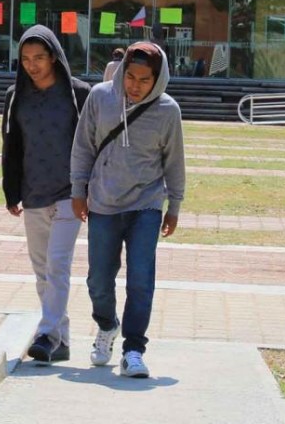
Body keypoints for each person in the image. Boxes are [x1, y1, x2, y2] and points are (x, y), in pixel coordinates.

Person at [70, 42, 185, 378]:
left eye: (144, 79)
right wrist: (79, 190)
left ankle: (134, 348)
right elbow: (82, 146)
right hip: (103, 202)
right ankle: (106, 325)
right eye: (130, 77)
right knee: (99, 280)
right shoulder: (100, 97)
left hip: (146, 205)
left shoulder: (168, 111)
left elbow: (174, 162)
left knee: (141, 279)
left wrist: (174, 205)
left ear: (158, 79)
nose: (135, 85)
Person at [2, 25, 91, 365]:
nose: (32, 65)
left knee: (57, 264)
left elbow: (91, 143)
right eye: (26, 59)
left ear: (54, 57)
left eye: (39, 57)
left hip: (70, 192)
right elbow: (10, 147)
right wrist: (11, 191)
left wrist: (88, 189)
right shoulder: (15, 96)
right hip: (33, 191)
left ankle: (46, 333)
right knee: (42, 270)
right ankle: (62, 340)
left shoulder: (78, 93)